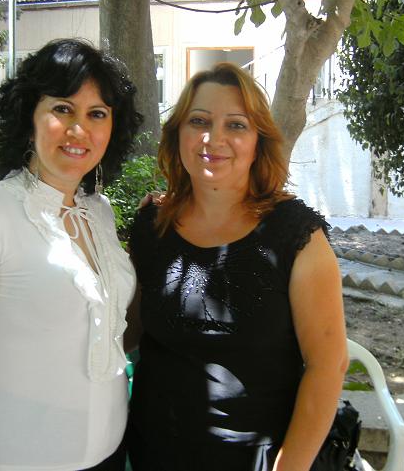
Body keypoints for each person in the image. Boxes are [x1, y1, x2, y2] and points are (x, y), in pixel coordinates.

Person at [0, 38, 142, 471]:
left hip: (111, 455)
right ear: (29, 116)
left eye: (97, 114)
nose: (79, 129)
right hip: (16, 460)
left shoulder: (99, 211)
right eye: (63, 109)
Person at [125, 62, 348, 471]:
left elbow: (328, 365)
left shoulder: (296, 236)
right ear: (177, 134)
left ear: (258, 141)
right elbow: (125, 331)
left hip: (259, 459)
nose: (214, 138)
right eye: (199, 121)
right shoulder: (151, 226)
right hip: (153, 452)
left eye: (236, 125)